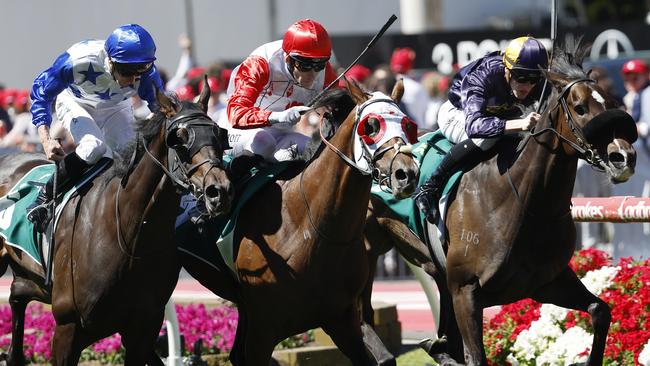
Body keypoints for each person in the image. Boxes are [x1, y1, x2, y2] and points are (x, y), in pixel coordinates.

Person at [27, 23, 164, 231]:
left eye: (140, 71)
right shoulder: (77, 60)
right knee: (94, 146)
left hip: (116, 108)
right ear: (110, 61)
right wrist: (46, 139)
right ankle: (45, 196)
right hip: (76, 101)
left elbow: (162, 110)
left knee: (134, 156)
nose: (134, 79)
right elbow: (41, 92)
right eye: (128, 71)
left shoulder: (145, 74)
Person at [414, 36, 548, 223]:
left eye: (534, 79)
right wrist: (519, 124)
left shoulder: (534, 82)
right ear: (507, 69)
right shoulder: (483, 75)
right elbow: (476, 126)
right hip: (458, 114)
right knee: (488, 138)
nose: (527, 85)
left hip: (496, 116)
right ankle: (429, 187)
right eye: (520, 76)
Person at [219, 18, 337, 162]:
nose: (313, 74)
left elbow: (345, 106)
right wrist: (278, 117)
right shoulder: (260, 63)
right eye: (305, 66)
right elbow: (236, 114)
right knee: (264, 142)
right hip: (239, 131)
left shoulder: (326, 72)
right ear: (288, 60)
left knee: (318, 152)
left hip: (283, 135)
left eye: (319, 65)